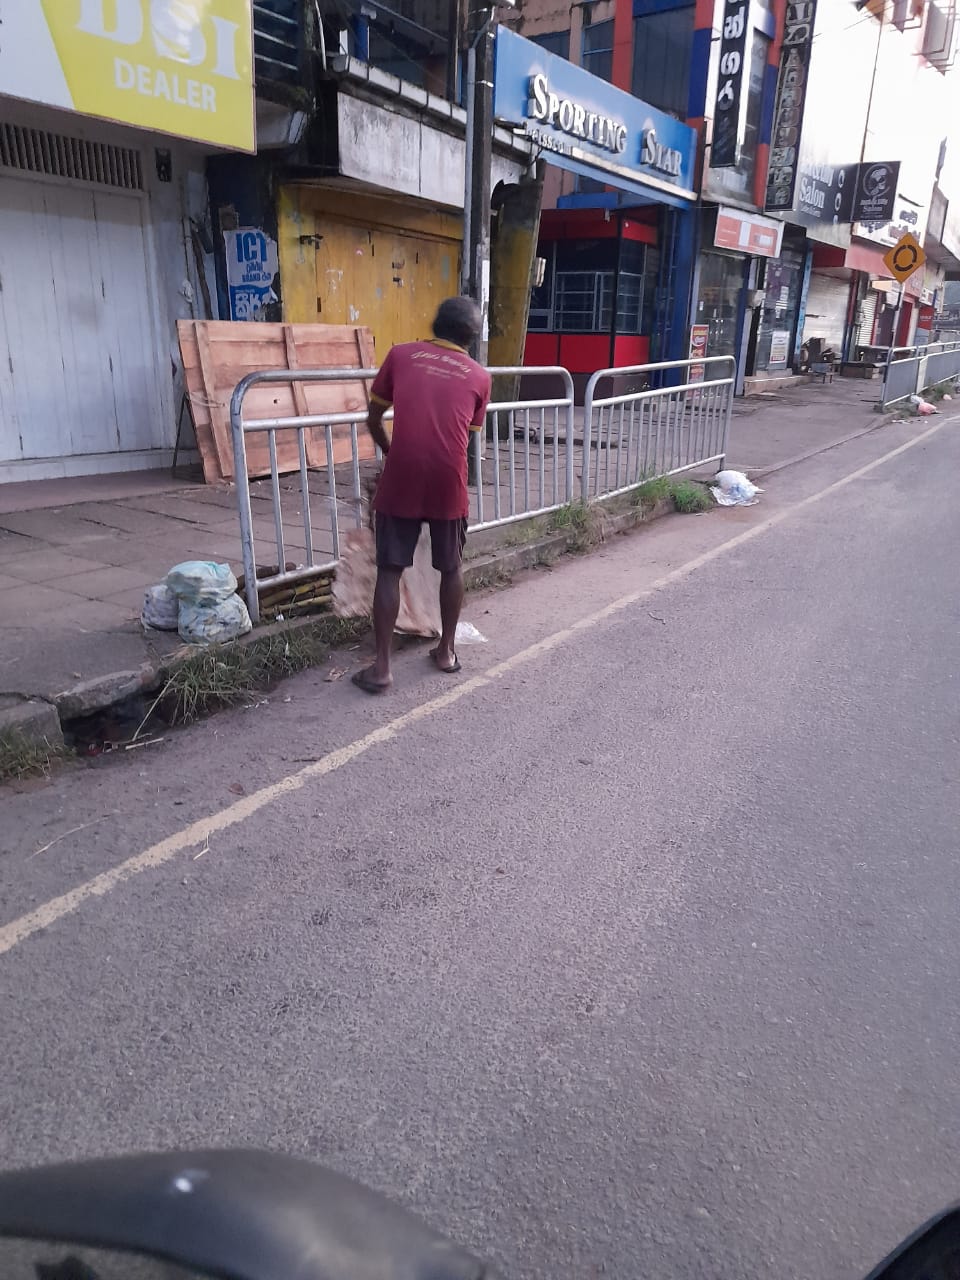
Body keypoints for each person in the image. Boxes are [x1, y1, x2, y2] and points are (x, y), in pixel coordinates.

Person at [352, 297, 491, 695]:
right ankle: (446, 651)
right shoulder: (480, 377)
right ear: (473, 337)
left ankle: (381, 667)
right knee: (451, 567)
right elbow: (466, 439)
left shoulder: (401, 355)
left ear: (434, 323)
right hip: (449, 476)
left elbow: (373, 418)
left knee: (390, 569)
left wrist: (394, 453)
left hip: (404, 473)